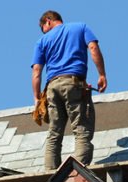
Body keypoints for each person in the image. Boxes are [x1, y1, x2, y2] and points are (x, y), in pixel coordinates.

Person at [31, 10, 107, 170]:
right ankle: (77, 175)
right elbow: (93, 47)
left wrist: (37, 98)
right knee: (81, 129)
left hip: (52, 88)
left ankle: (51, 176)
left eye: (43, 27)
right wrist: (102, 74)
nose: (44, 32)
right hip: (73, 83)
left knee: (54, 133)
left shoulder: (42, 41)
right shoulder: (80, 28)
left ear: (48, 21)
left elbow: (37, 71)